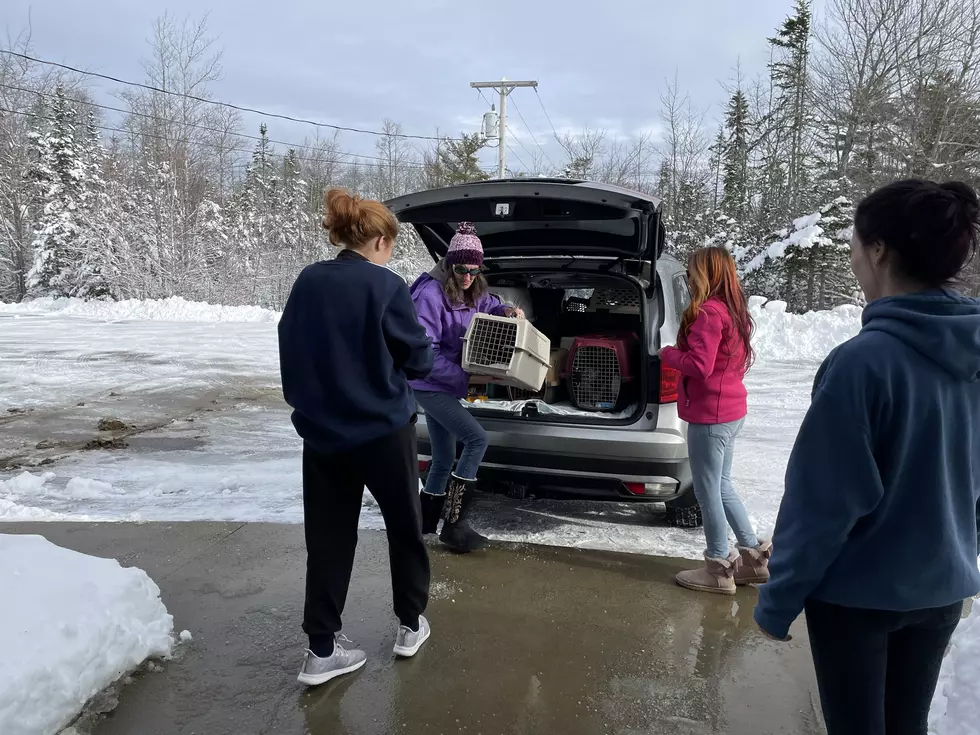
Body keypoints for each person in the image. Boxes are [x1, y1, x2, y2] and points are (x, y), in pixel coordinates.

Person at [755, 179, 980, 735]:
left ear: (878, 249)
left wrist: (778, 599)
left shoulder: (862, 363)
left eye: (855, 242)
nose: (852, 255)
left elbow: (823, 503)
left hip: (858, 599)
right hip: (941, 589)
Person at [278, 188, 436, 686]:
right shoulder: (386, 287)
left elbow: (290, 348)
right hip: (383, 434)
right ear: (382, 241)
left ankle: (321, 650)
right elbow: (418, 359)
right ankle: (410, 625)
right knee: (404, 528)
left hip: (323, 435)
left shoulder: (307, 282)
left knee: (327, 539)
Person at [660, 246, 771, 595]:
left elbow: (699, 365)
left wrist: (667, 354)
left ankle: (719, 568)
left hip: (711, 416)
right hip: (730, 412)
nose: (691, 276)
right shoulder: (733, 311)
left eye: (694, 270)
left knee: (708, 494)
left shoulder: (708, 313)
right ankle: (753, 560)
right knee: (722, 486)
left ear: (706, 273)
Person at [409, 222, 524, 553]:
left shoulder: (474, 288)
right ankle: (455, 524)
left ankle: (424, 522)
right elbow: (424, 353)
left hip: (443, 383)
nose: (467, 277)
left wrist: (505, 310)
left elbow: (487, 305)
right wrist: (464, 378)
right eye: (461, 269)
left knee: (444, 456)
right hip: (427, 383)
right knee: (476, 439)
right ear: (449, 265)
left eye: (474, 270)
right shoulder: (430, 296)